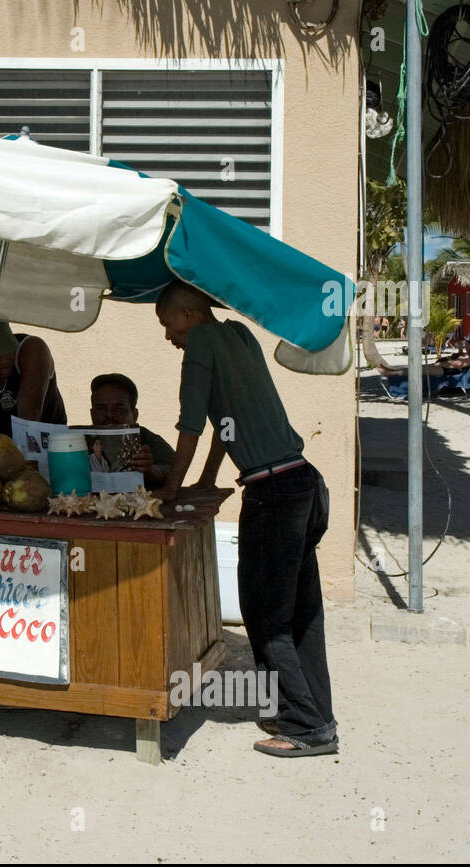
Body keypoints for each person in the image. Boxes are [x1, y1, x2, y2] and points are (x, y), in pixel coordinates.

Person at [154, 280, 338, 759]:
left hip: (273, 494)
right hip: (304, 482)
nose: (168, 336)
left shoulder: (199, 344)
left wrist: (171, 490)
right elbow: (226, 421)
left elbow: (192, 424)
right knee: (301, 615)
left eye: (167, 323)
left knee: (266, 616)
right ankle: (310, 711)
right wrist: (209, 478)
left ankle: (307, 727)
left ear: (188, 314)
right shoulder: (237, 335)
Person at [89, 372, 175, 487]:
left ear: (134, 415)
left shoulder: (147, 440)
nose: (109, 414)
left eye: (119, 409)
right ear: (91, 413)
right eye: (101, 409)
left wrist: (150, 471)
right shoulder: (75, 442)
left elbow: (174, 470)